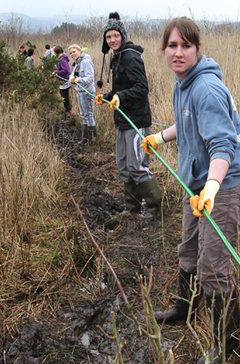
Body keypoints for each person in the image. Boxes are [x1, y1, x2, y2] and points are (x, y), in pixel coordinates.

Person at [142, 17, 240, 364]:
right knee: (188, 246)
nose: (178, 52)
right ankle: (184, 309)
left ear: (197, 49)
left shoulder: (205, 88)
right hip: (197, 186)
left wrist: (214, 188)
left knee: (214, 266)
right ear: (164, 50)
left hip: (222, 188)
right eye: (172, 45)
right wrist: (160, 137)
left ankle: (228, 342)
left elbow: (222, 145)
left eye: (185, 45)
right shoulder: (182, 82)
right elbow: (186, 121)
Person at [95, 12, 162, 217]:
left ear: (122, 35)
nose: (112, 40)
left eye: (115, 35)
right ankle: (132, 208)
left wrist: (121, 96)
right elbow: (122, 88)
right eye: (109, 37)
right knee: (124, 165)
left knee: (137, 165)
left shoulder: (131, 57)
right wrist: (106, 96)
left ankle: (153, 209)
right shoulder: (117, 57)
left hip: (137, 121)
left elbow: (142, 88)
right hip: (122, 121)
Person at [68, 45, 96, 143]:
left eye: (74, 52)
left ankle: (92, 138)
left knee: (88, 115)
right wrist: (71, 79)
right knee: (83, 115)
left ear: (79, 51)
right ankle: (85, 138)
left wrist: (77, 80)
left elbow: (90, 78)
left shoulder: (85, 62)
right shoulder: (77, 63)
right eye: (70, 53)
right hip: (80, 92)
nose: (72, 54)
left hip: (87, 93)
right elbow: (72, 74)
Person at [53, 46, 71, 114]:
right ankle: (67, 109)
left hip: (65, 80)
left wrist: (56, 72)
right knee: (64, 96)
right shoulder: (62, 58)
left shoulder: (62, 59)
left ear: (56, 52)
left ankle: (68, 110)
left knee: (64, 96)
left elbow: (66, 70)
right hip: (63, 80)